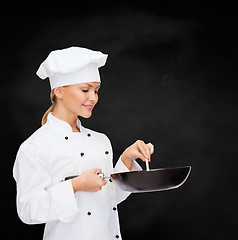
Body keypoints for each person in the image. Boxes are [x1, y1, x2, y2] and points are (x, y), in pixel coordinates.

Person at [13, 46, 154, 240]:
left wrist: (127, 158)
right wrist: (75, 185)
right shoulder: (37, 146)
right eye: (85, 89)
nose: (93, 98)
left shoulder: (100, 141)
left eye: (96, 90)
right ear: (59, 91)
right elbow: (28, 210)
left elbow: (108, 199)